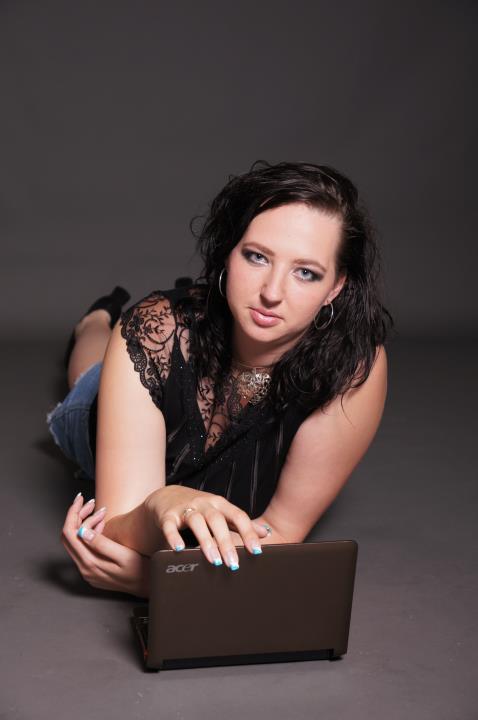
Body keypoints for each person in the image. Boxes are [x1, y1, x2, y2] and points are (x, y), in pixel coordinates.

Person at [47, 160, 394, 599]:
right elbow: (117, 531)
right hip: (113, 410)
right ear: (229, 252)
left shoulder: (353, 368)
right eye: (257, 257)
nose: (271, 292)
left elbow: (279, 535)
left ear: (335, 287)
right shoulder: (152, 334)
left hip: (198, 342)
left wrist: (156, 581)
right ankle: (95, 320)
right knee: (88, 377)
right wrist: (161, 502)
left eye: (305, 272)